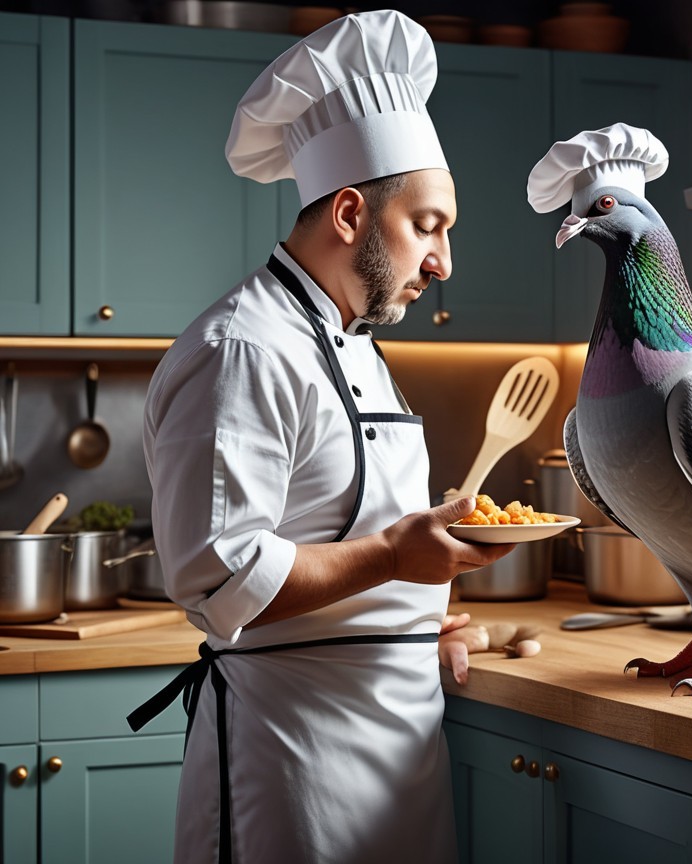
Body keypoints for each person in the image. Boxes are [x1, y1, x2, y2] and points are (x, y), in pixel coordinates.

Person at [131, 11, 512, 863]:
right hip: (291, 769)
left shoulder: (357, 344)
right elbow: (221, 578)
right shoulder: (243, 349)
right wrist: (391, 563)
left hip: (398, 755)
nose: (444, 261)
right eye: (428, 225)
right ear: (349, 213)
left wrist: (420, 619)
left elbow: (348, 534)